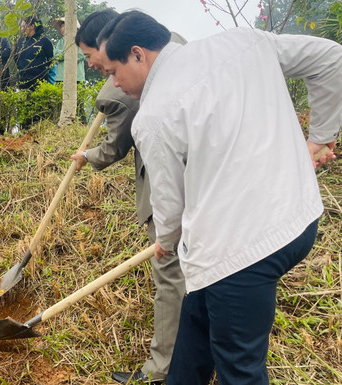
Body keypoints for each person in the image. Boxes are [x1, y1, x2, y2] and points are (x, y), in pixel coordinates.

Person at [97, 10, 339, 385]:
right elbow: (330, 58)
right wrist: (320, 135)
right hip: (299, 217)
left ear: (138, 54)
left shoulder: (154, 115)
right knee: (194, 332)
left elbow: (169, 204)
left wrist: (165, 239)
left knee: (238, 368)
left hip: (243, 248)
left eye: (113, 72)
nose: (114, 84)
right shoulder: (244, 42)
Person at [70, 9, 187, 384]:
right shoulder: (174, 43)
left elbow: (114, 148)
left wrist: (88, 156)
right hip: (207, 180)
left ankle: (160, 371)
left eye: (91, 58)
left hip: (173, 186)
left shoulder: (119, 90)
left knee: (170, 273)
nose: (95, 66)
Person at [16, 16, 54, 90]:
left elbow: (50, 59)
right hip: (23, 80)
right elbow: (16, 58)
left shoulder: (44, 41)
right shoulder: (21, 41)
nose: (22, 29)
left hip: (39, 79)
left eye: (23, 27)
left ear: (32, 26)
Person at [51, 17, 86, 84]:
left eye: (64, 26)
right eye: (61, 27)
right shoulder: (61, 41)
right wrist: (70, 53)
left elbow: (81, 54)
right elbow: (55, 55)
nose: (61, 29)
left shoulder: (81, 40)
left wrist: (64, 54)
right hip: (61, 77)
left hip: (77, 77)